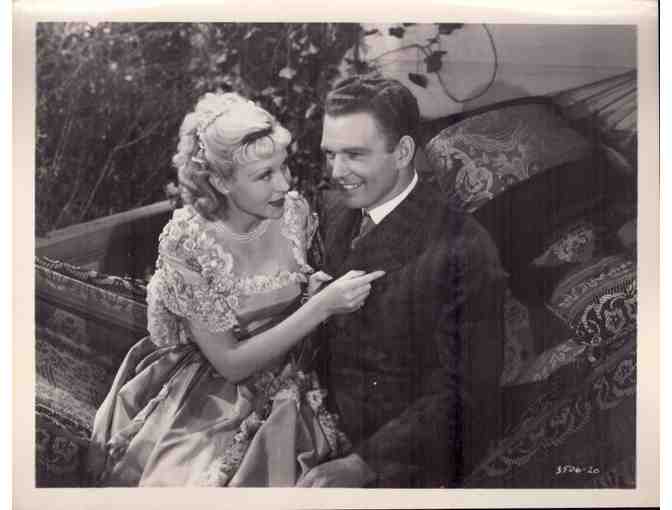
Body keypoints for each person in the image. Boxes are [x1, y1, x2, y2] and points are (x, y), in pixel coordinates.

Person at [86, 92, 385, 486]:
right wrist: (320, 307)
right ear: (220, 181)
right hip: (216, 392)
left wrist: (312, 290)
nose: (284, 184)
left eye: (283, 166)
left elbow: (306, 287)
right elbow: (231, 363)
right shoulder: (188, 242)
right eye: (265, 175)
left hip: (300, 372)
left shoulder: (294, 213)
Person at [297, 76, 508, 488]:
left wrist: (362, 465)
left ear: (404, 152)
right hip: (313, 424)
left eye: (354, 155)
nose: (337, 172)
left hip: (395, 458)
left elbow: (467, 394)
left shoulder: (464, 248)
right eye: (330, 154)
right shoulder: (334, 211)